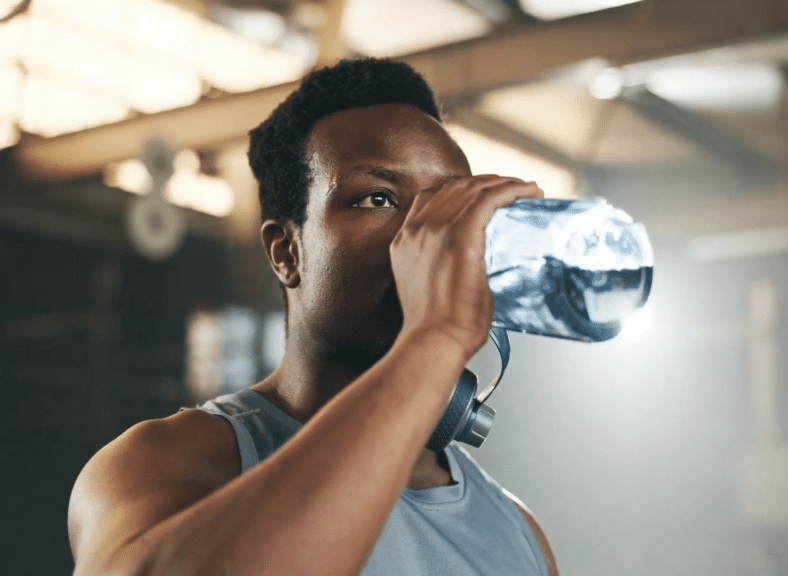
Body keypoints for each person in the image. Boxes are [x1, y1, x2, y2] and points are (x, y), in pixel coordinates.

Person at [68, 57, 559, 576]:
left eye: (448, 205)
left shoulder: (518, 530)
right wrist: (433, 338)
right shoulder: (163, 462)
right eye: (378, 198)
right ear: (287, 252)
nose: (429, 235)